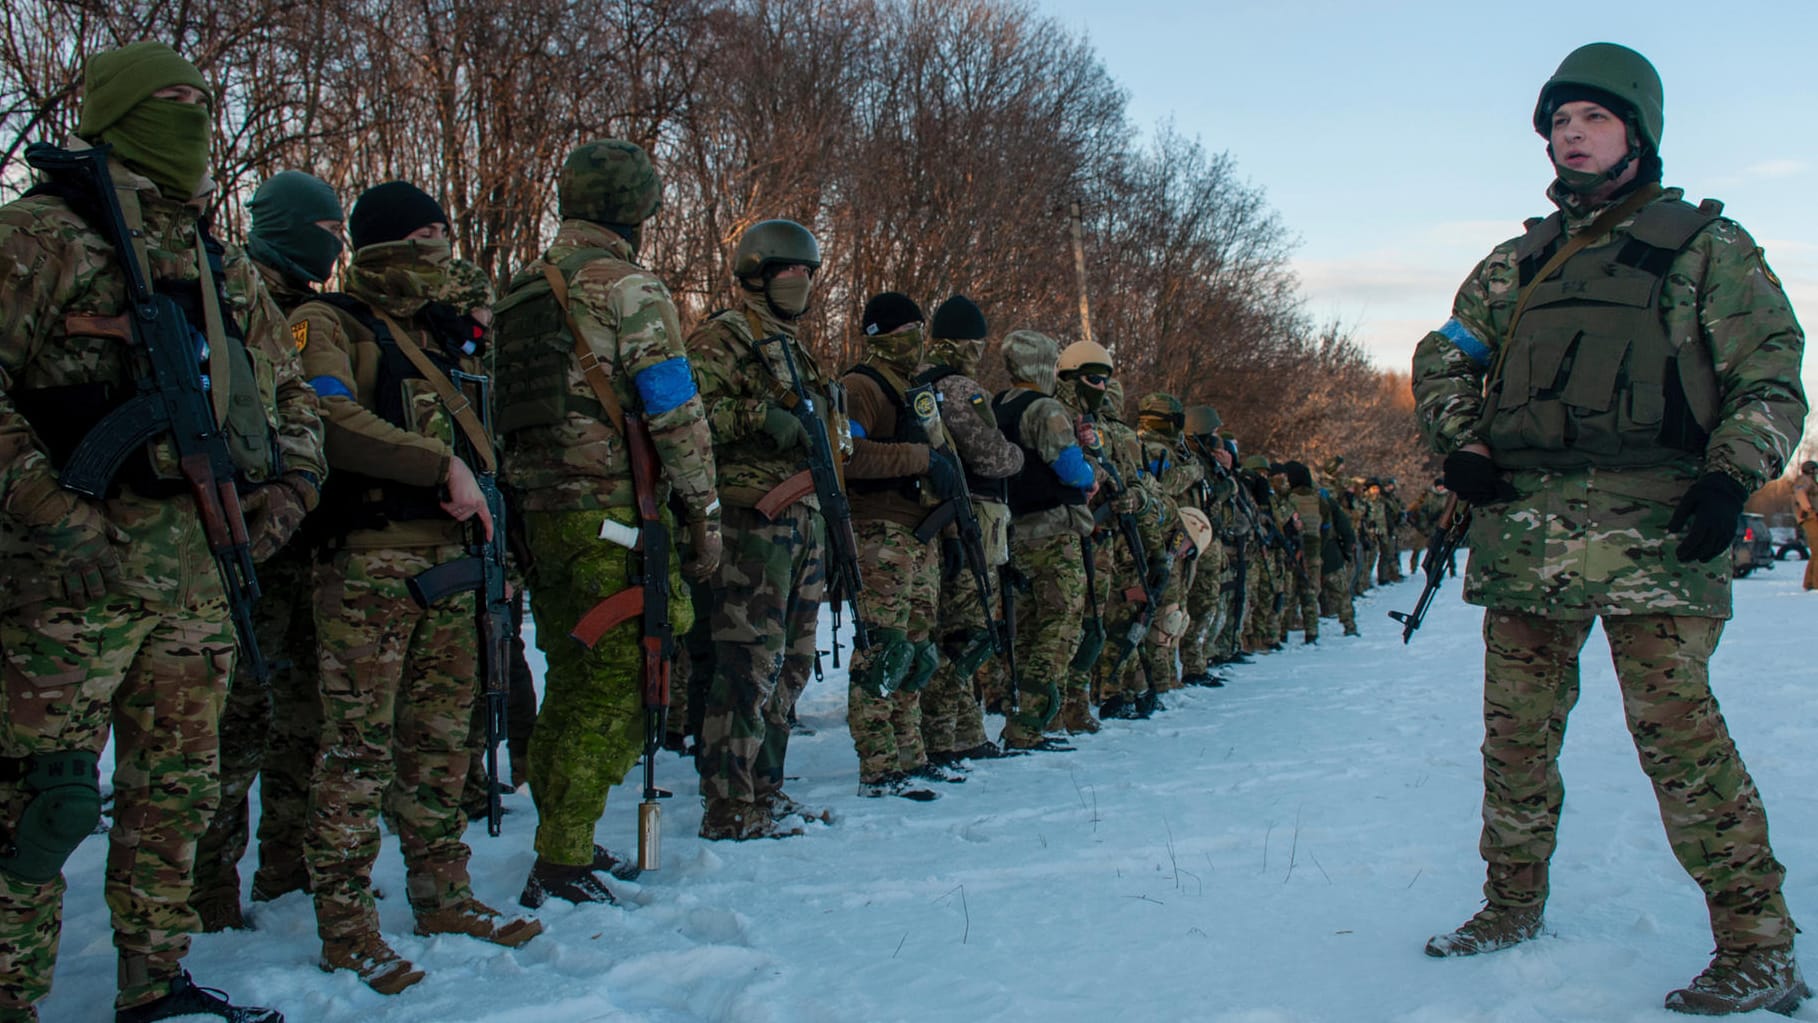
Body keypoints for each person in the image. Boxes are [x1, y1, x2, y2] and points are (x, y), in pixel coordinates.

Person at [1411, 42, 1808, 1015]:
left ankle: (1758, 943)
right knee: (1516, 737)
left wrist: (1731, 479)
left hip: (1657, 527)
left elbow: (1771, 374)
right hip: (1527, 526)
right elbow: (1444, 356)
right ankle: (1509, 904)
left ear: (1637, 129)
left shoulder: (1708, 248)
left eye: (1591, 117)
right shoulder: (1518, 264)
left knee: (1679, 736)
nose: (1570, 134)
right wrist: (1461, 445)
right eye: (1557, 120)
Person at [0, 42, 323, 1022]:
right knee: (36, 805)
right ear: (116, 112)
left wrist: (289, 495)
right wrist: (53, 513)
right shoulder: (40, 237)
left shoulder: (221, 264)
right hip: (67, 591)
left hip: (197, 583)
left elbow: (290, 395)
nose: (187, 116)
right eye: (166, 101)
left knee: (173, 799)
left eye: (199, 101)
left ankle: (156, 980)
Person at [294, 180, 541, 993]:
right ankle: (345, 922)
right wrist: (442, 465)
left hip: (456, 565)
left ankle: (443, 892)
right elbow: (327, 417)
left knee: (442, 743)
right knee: (359, 748)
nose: (442, 248)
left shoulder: (442, 337)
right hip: (373, 564)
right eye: (426, 234)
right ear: (385, 243)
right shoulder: (330, 324)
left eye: (445, 232)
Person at [491, 141, 722, 887]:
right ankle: (561, 855)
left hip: (542, 516)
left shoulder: (520, 290)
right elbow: (674, 410)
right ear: (633, 210)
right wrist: (703, 513)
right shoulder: (628, 287)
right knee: (619, 688)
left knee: (571, 675)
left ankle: (565, 836)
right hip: (612, 519)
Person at [191, 169, 345, 932]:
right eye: (325, 232)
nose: (335, 245)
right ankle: (208, 889)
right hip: (240, 540)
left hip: (305, 542)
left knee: (304, 718)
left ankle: (287, 863)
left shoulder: (312, 310)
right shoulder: (227, 289)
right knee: (235, 723)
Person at [687, 218, 835, 837]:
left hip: (803, 521)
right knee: (748, 665)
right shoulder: (723, 336)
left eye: (807, 272)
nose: (799, 282)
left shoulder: (794, 346)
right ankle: (728, 806)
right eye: (789, 271)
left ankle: (765, 790)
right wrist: (759, 416)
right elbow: (687, 415)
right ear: (758, 273)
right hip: (753, 524)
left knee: (794, 664)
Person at [840, 293, 954, 799]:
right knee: (881, 652)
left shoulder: (917, 391)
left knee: (914, 653)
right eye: (909, 329)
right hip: (878, 535)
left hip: (918, 536)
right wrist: (920, 459)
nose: (917, 339)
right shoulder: (861, 386)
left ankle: (911, 753)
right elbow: (848, 454)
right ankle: (879, 766)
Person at [915, 295, 1024, 764]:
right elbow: (992, 456)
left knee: (944, 633)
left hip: (927, 525)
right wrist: (1018, 455)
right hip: (968, 524)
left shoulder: (917, 381)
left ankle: (963, 733)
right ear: (968, 344)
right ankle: (947, 736)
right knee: (967, 633)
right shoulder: (960, 388)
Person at [993, 331, 1097, 749]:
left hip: (1013, 533)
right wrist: (1091, 475)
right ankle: (1031, 722)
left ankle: (1020, 712)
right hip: (1054, 533)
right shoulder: (1046, 408)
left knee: (1027, 628)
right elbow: (1071, 469)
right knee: (1060, 628)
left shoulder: (999, 405)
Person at [1793, 460, 1818, 590]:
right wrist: (1809, 510)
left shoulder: (1810, 481)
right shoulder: (1805, 480)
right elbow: (1800, 494)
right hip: (1810, 518)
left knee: (1815, 552)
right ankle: (1815, 583)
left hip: (1811, 518)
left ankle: (1809, 582)